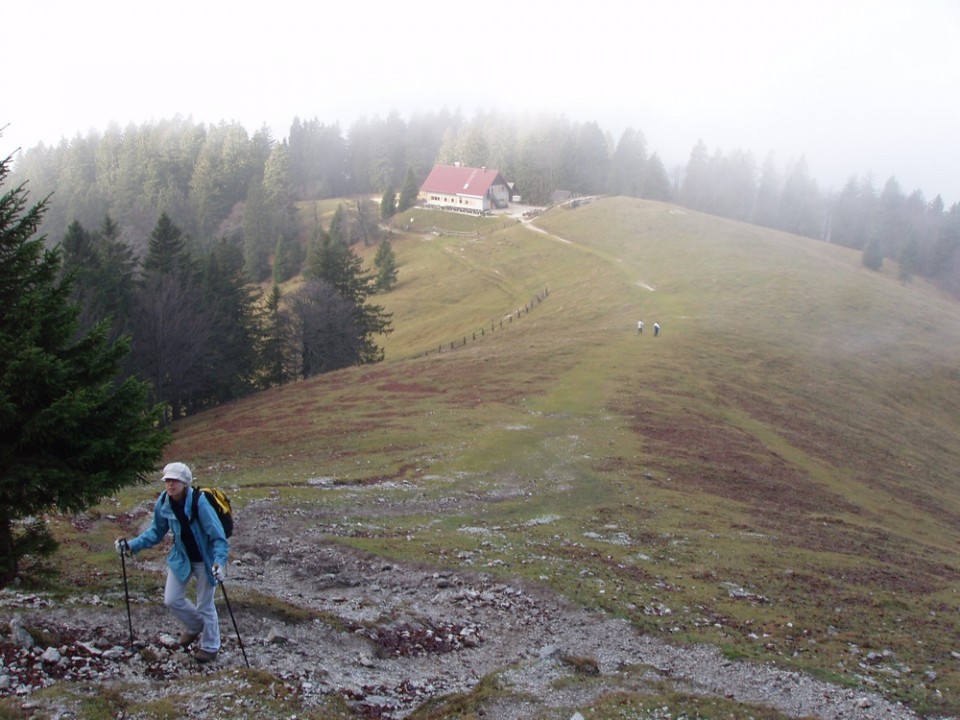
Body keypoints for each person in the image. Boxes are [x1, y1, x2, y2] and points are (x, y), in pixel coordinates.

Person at [116, 462, 229, 664]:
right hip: (182, 557)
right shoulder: (164, 502)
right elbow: (156, 532)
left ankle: (210, 647)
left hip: (206, 560)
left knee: (205, 605)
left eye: (174, 480)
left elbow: (218, 536)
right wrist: (131, 545)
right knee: (171, 599)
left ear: (185, 482)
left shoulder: (199, 502)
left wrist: (220, 563)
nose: (170, 484)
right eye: (168, 480)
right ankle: (195, 626)